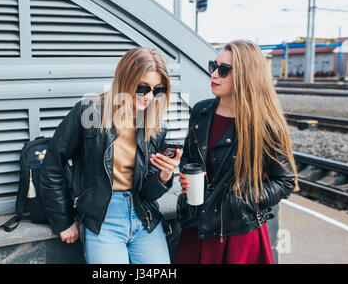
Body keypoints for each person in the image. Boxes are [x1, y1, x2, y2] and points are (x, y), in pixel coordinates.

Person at [39, 47, 181, 264]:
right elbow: (52, 165)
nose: (150, 97)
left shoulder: (157, 127)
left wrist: (163, 176)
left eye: (158, 90)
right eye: (143, 88)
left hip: (144, 216)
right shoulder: (90, 112)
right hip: (102, 217)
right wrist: (63, 221)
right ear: (125, 79)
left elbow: (148, 193)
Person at [174, 40, 298, 264]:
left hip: (238, 233)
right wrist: (187, 177)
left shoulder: (264, 124)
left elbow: (285, 181)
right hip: (198, 226)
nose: (214, 75)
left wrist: (242, 202)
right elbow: (189, 159)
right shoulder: (201, 111)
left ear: (245, 75)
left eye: (223, 70)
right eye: (214, 66)